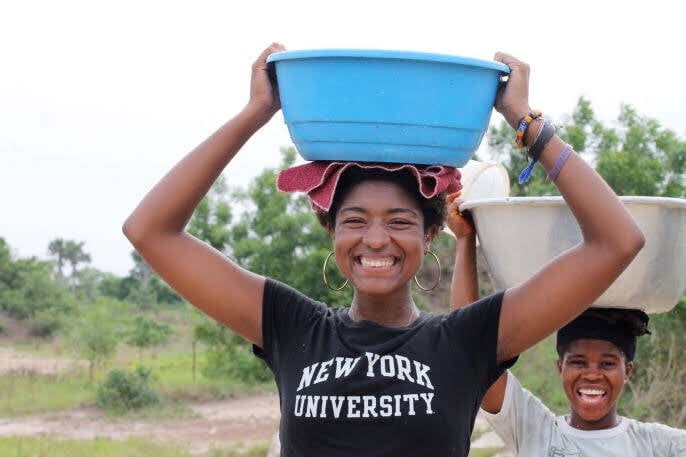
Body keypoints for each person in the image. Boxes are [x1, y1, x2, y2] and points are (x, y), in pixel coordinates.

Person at [122, 43, 645, 457]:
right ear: (332, 231)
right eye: (355, 220)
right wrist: (256, 112)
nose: (375, 239)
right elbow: (151, 231)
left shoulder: (467, 340)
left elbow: (617, 241)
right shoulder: (290, 326)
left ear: (429, 235)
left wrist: (526, 121)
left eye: (398, 221)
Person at [447, 198, 686, 456]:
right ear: (560, 367)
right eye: (578, 362)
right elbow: (470, 347)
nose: (592, 374)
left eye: (607, 363)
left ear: (627, 370)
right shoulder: (534, 429)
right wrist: (465, 241)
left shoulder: (658, 445)